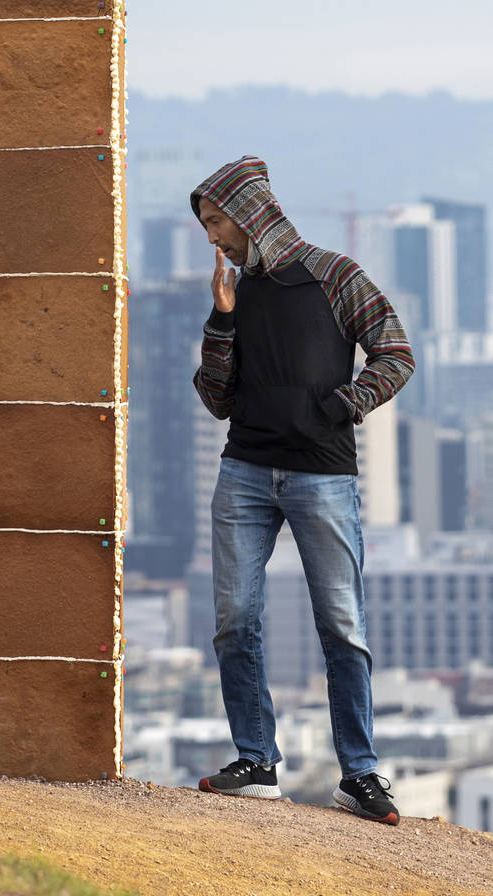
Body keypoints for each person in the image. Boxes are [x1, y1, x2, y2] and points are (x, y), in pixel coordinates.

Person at [191, 156, 414, 826]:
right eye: (205, 226)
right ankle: (256, 762)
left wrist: (344, 404)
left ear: (249, 211)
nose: (212, 239)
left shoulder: (336, 275)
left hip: (323, 472)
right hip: (244, 471)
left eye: (216, 222)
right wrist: (222, 321)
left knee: (342, 627)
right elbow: (216, 399)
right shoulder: (233, 289)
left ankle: (361, 774)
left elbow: (395, 352)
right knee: (235, 621)